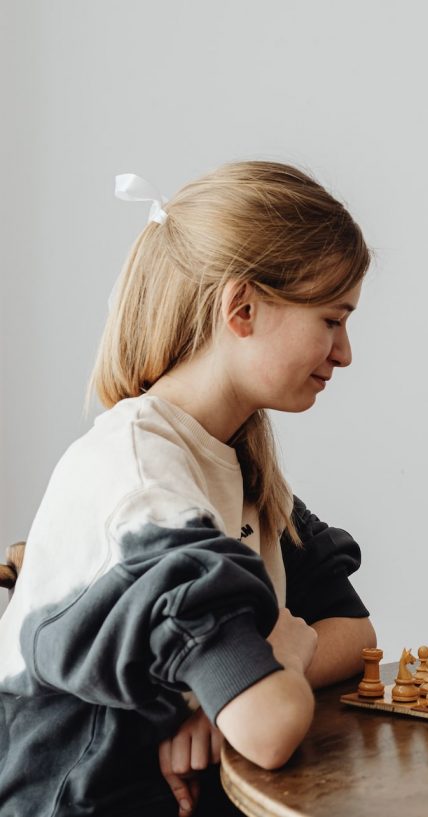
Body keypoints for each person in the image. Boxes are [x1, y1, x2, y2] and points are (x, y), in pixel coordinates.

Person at [0, 162, 377, 816]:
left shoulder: (237, 460)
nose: (344, 353)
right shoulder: (149, 489)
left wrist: (225, 698)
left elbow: (355, 633)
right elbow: (268, 728)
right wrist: (271, 666)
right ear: (243, 308)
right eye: (331, 319)